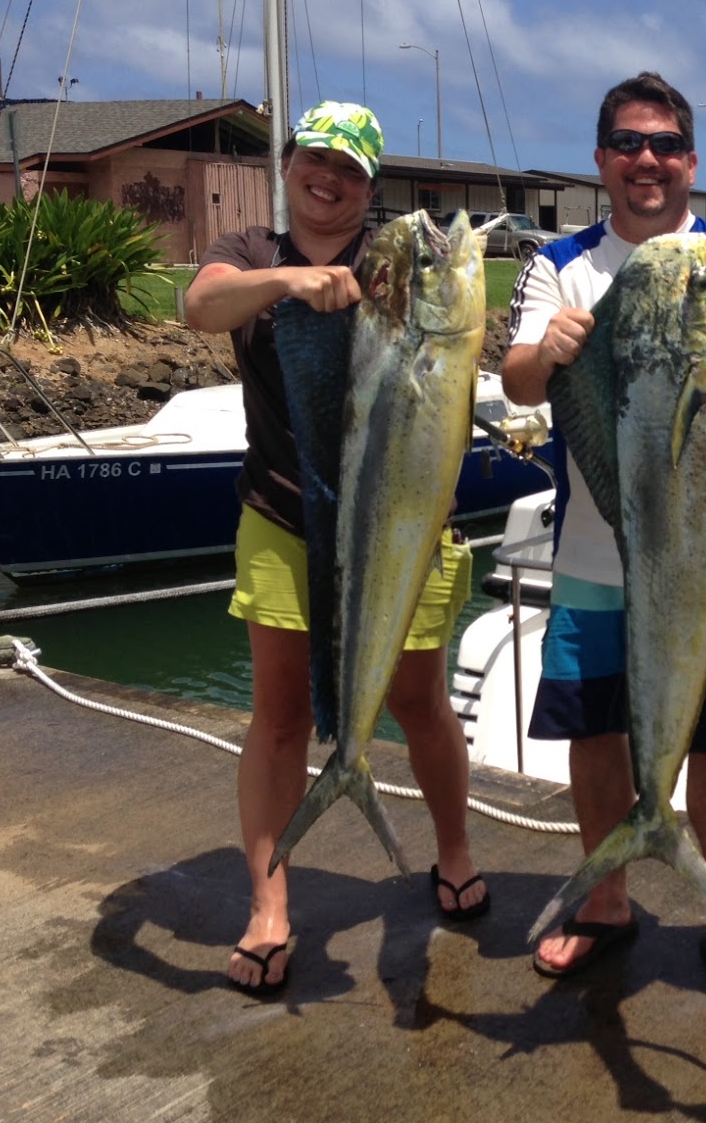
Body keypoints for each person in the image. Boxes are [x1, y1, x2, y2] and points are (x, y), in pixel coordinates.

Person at [186, 101, 487, 995]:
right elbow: (199, 305)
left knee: (419, 701)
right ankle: (270, 904)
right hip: (281, 516)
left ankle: (456, 850)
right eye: (316, 159)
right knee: (277, 714)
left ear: (370, 187)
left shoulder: (392, 266)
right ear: (288, 165)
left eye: (351, 170)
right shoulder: (249, 251)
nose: (330, 179)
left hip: (403, 523)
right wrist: (286, 284)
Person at [501, 72, 706, 1003]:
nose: (647, 161)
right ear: (601, 161)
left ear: (690, 163)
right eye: (627, 144)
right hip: (590, 553)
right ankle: (606, 902)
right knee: (596, 734)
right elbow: (515, 381)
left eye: (664, 145)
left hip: (704, 564)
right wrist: (550, 353)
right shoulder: (562, 262)